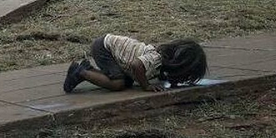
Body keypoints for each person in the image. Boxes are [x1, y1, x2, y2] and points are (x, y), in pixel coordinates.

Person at [63, 34, 208, 93]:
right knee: (118, 84)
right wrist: (146, 86)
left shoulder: (160, 63)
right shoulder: (155, 59)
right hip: (104, 48)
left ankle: (87, 69)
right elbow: (136, 65)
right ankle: (80, 72)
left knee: (127, 82)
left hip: (110, 47)